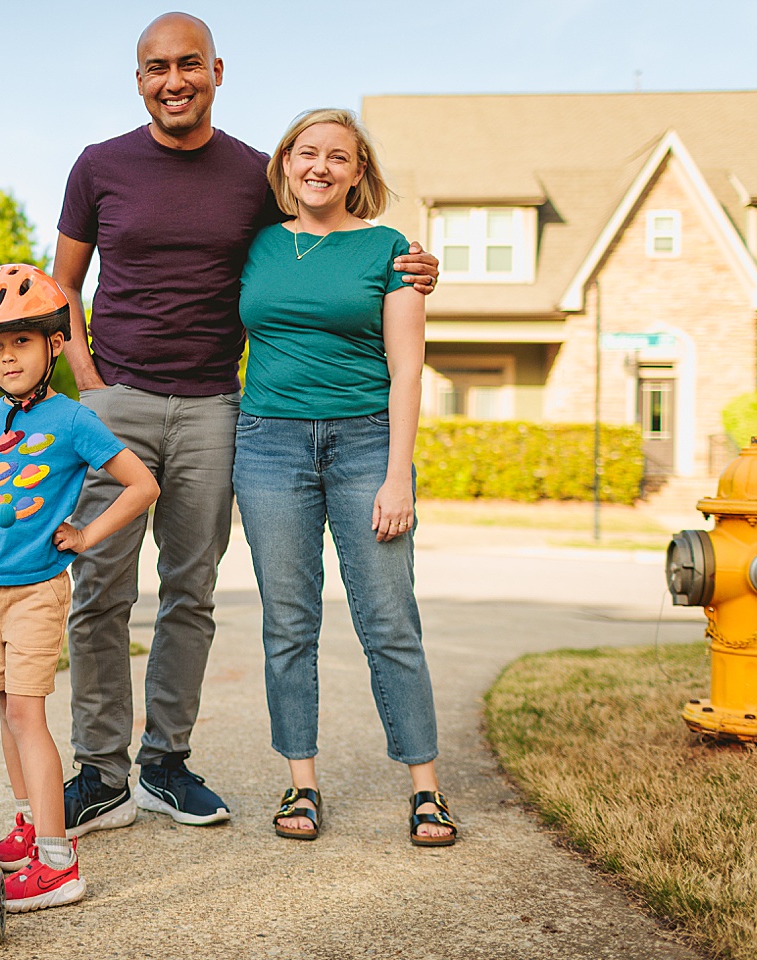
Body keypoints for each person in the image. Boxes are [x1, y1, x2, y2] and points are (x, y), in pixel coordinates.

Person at [52, 11, 439, 835]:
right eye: (157, 67)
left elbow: (322, 242)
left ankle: (164, 765)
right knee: (100, 589)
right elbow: (63, 290)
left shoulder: (254, 177)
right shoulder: (97, 166)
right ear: (139, 79)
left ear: (217, 71)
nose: (174, 81)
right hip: (115, 404)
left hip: (216, 409)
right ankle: (99, 772)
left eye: (189, 64)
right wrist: (88, 387)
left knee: (189, 593)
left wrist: (410, 266)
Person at [233, 108, 456, 846]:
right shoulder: (258, 242)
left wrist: (399, 477)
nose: (320, 166)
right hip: (268, 447)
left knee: (389, 620)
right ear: (285, 164)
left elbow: (407, 370)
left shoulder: (390, 250)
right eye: (307, 153)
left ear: (359, 171)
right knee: (287, 622)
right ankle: (301, 784)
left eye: (338, 156)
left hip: (366, 445)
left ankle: (425, 789)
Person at [0, 264, 160, 912]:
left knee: (26, 715)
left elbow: (142, 484)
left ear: (55, 344)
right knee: (3, 710)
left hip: (35, 591)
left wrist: (88, 535)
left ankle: (59, 861)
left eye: (21, 341)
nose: (8, 357)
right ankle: (28, 826)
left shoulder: (72, 420)